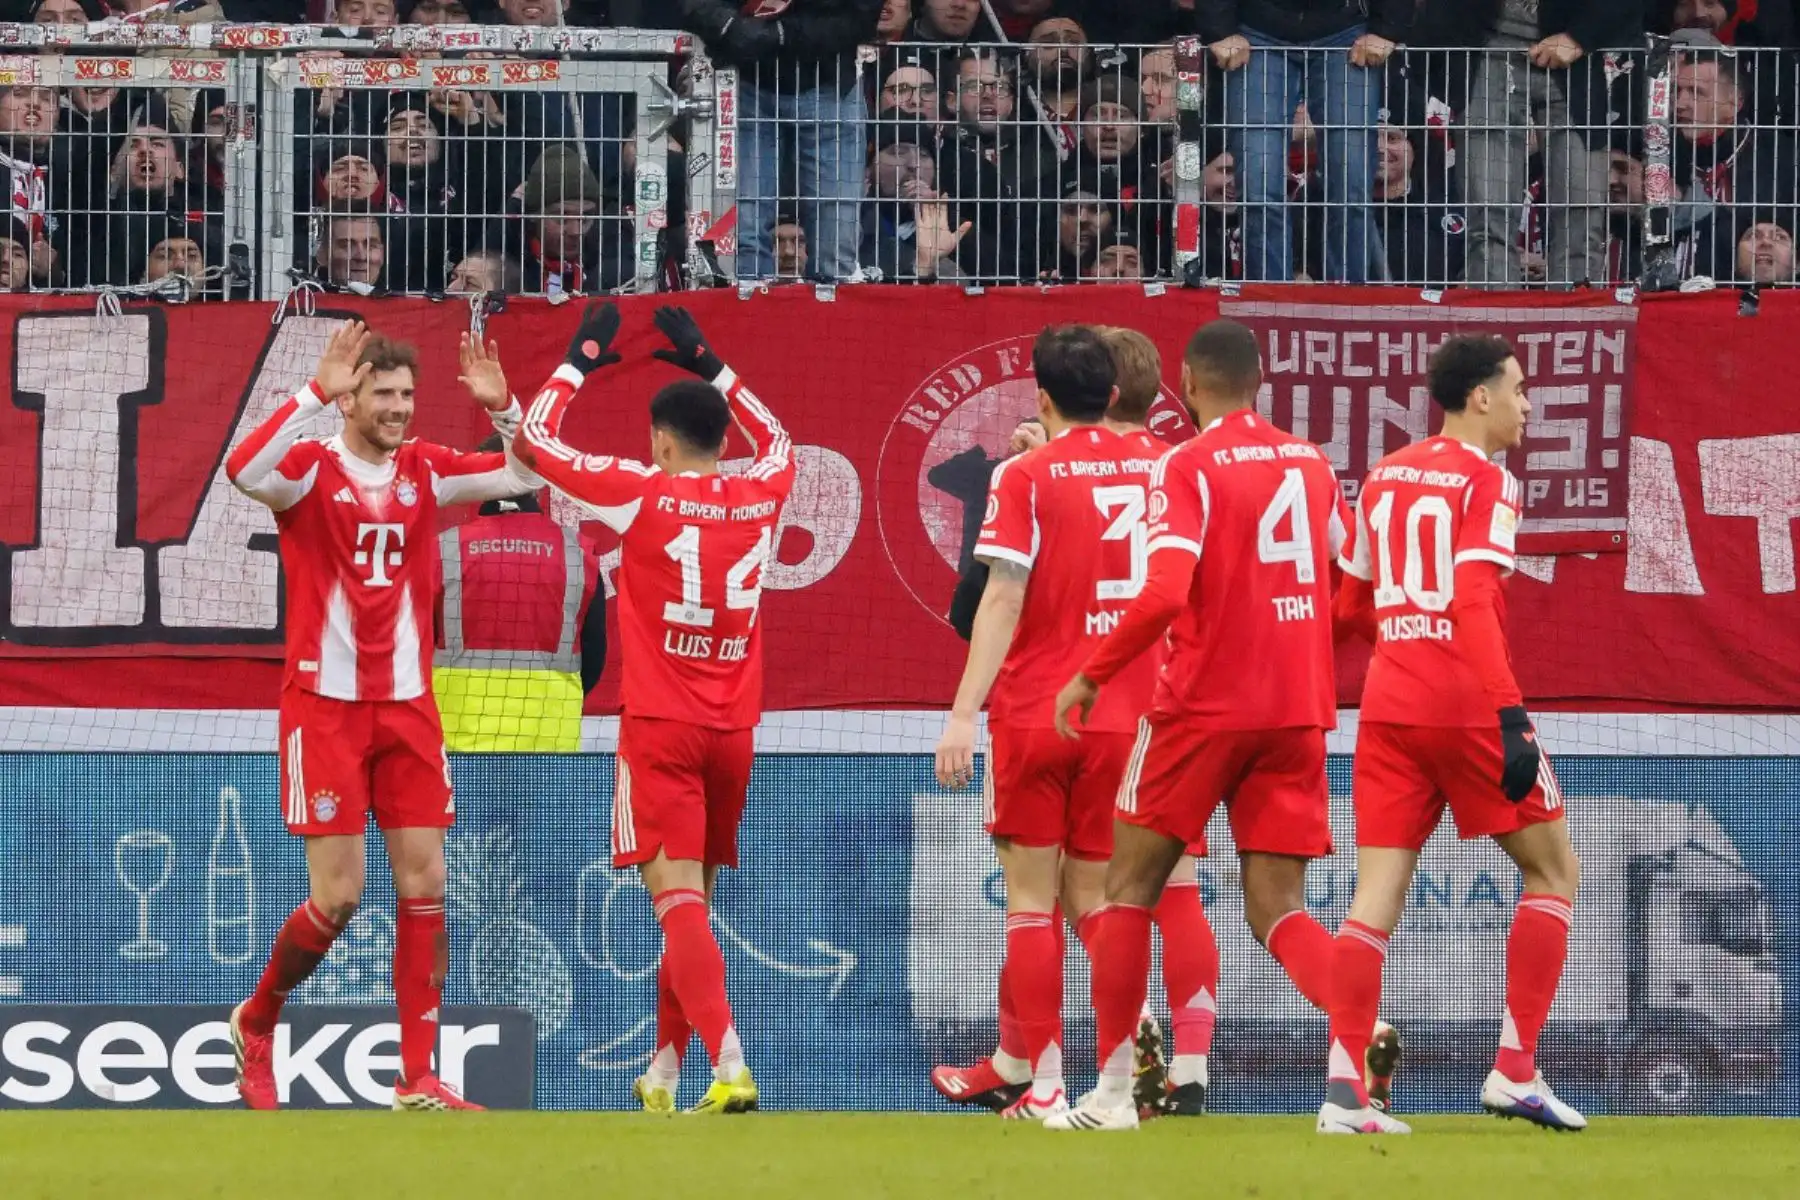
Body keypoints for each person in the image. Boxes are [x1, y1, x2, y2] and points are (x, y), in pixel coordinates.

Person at [1045, 319, 1368, 1132]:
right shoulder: (1310, 461)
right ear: (1259, 381)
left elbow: (1160, 594)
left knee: (1126, 890)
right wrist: (1302, 648)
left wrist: (1090, 675)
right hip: (1295, 710)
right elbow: (1358, 579)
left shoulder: (1184, 465)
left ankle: (1114, 1093)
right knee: (1279, 911)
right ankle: (1357, 1038)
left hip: (1199, 709)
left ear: (1188, 382)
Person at [222, 320, 549, 1112]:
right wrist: (309, 392)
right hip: (325, 709)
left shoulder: (428, 471)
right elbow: (242, 469)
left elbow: (522, 474)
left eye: (408, 395)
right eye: (385, 394)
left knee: (427, 881)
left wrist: (506, 410)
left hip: (407, 708)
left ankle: (415, 1078)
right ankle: (258, 1021)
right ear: (352, 399)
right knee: (338, 899)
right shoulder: (307, 471)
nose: (401, 409)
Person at [928, 327, 1221, 1122]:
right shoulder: (1167, 468)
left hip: (1039, 709)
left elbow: (1001, 598)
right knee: (1100, 901)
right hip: (1130, 715)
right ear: (1123, 393)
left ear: (1044, 397)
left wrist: (961, 713)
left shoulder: (1027, 473)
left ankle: (1047, 1083)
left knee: (1031, 904)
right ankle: (1130, 1057)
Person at [513, 303, 794, 1116]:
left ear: (663, 442)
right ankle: (664, 1073)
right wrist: (712, 362)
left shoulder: (643, 491)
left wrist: (578, 360)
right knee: (692, 912)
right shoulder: (762, 487)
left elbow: (533, 445)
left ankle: (730, 1063)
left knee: (678, 910)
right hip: (734, 732)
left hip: (661, 730)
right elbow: (778, 439)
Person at [1322, 335, 1582, 1135]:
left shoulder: (1386, 475)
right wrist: (1508, 715)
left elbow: (1348, 607)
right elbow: (1471, 598)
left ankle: (1343, 1094)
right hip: (1468, 702)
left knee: (1372, 902)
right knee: (1554, 873)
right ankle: (1514, 1070)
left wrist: (1401, 642)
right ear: (1480, 398)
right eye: (1520, 389)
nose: (1527, 405)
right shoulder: (1489, 481)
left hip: (1391, 703)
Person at [433, 434, 606, 752]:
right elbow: (595, 657)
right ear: (538, 477)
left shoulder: (443, 550)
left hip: (459, 741)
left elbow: (415, 645)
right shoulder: (578, 553)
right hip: (552, 745)